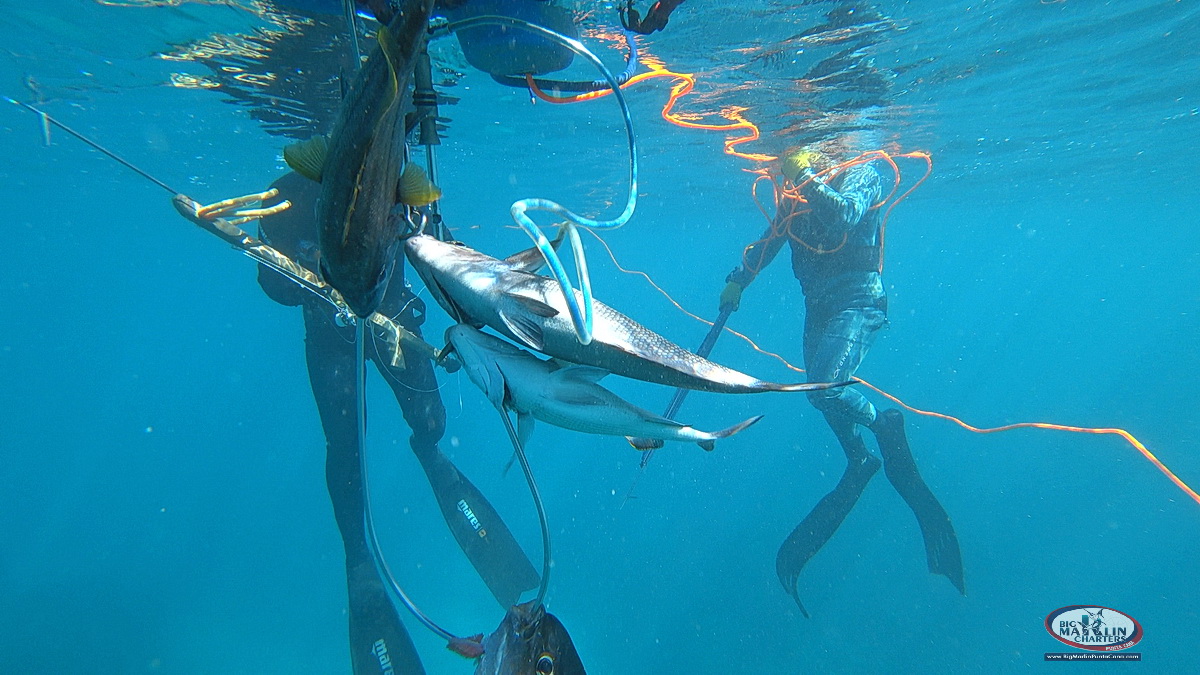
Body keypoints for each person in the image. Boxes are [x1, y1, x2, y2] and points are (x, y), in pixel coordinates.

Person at [256, 172, 539, 674]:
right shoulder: (288, 194)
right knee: (345, 448)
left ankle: (434, 461)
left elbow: (444, 252)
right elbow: (270, 281)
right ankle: (358, 557)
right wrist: (303, 265)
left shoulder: (395, 182)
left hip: (397, 330)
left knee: (430, 423)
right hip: (330, 339)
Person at [719, 145, 965, 616]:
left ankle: (882, 426)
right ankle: (859, 458)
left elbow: (845, 215)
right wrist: (738, 280)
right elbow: (773, 237)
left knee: (826, 388)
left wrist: (806, 175)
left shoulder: (864, 170)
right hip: (819, 307)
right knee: (821, 390)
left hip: (857, 302)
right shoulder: (795, 184)